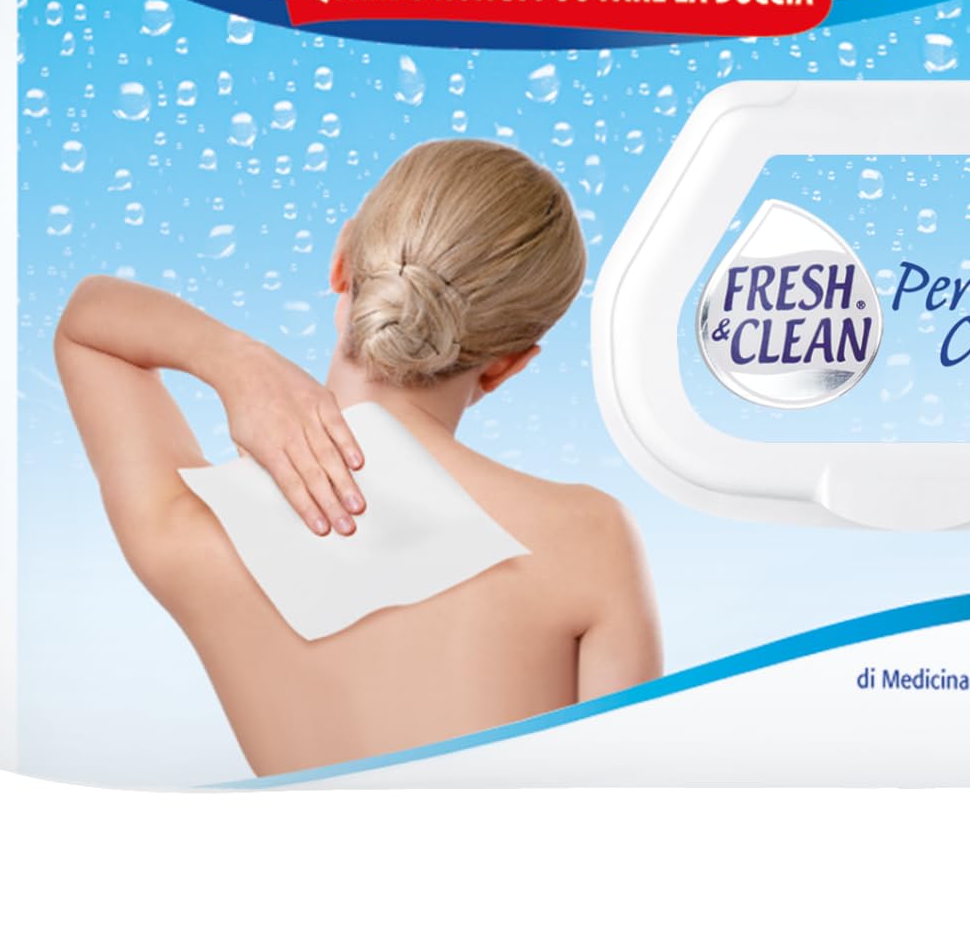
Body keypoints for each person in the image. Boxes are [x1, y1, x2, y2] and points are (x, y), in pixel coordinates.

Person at [53, 140, 661, 777]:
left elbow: (86, 324)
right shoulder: (588, 540)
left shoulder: (191, 531)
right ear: (510, 364)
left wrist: (235, 361)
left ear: (342, 262)